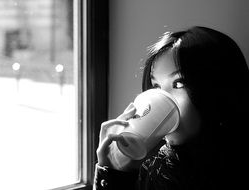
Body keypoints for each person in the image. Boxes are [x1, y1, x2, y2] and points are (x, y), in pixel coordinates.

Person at [93, 26, 249, 190]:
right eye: (156, 86)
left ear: (218, 88)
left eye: (178, 83)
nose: (162, 98)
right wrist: (114, 174)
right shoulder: (154, 169)